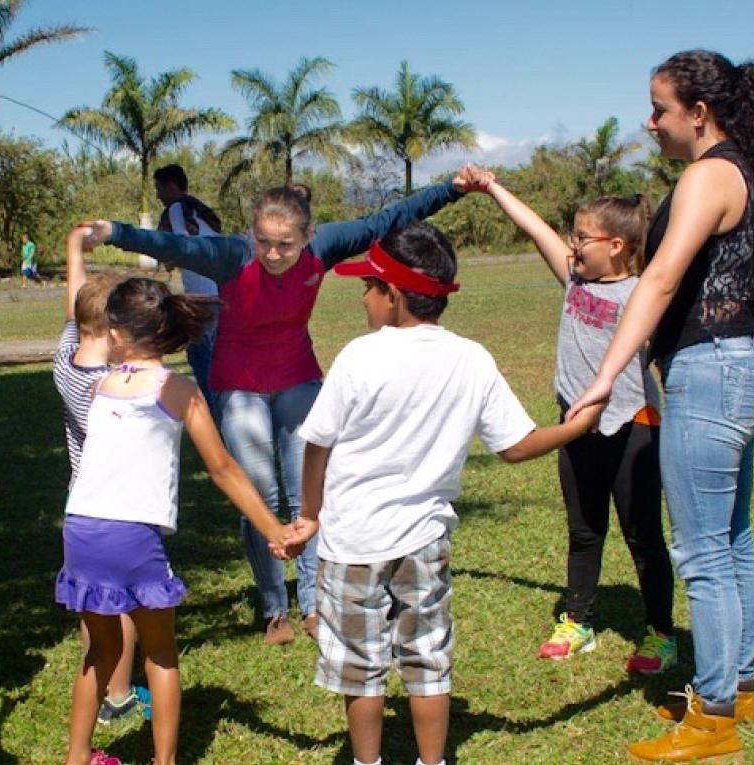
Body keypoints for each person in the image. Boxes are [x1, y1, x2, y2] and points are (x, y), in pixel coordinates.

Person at [76, 166, 491, 646]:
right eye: (264, 241)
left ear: (307, 236)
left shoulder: (323, 248)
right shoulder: (233, 255)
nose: (273, 254)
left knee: (305, 495)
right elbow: (175, 246)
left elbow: (387, 218)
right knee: (262, 496)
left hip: (297, 377)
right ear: (251, 233)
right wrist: (114, 233)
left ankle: (314, 603)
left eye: (285, 244)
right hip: (239, 385)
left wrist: (452, 189)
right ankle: (275, 608)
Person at [283, 223, 606, 765]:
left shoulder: (360, 357)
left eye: (369, 286)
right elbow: (517, 446)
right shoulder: (470, 358)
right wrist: (577, 427)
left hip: (352, 543)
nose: (363, 297)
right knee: (427, 655)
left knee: (360, 665)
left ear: (391, 296)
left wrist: (309, 515)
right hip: (425, 542)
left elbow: (318, 444)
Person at [565, 50, 754, 763]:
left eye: (659, 107)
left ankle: (713, 717)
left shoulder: (707, 175)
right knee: (731, 540)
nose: (651, 121)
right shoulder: (742, 171)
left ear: (697, 113)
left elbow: (663, 276)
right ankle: (740, 684)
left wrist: (608, 372)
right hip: (742, 367)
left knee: (703, 552)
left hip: (710, 374)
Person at [58, 276, 293, 765]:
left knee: (100, 652)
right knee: (160, 653)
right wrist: (273, 529)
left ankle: (77, 756)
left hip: (80, 528)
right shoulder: (178, 389)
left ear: (117, 333)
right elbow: (223, 468)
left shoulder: (99, 385)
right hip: (131, 533)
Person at [479, 181, 679, 672]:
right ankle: (578, 621)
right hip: (576, 427)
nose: (573, 244)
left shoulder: (643, 295)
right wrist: (492, 187)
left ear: (617, 245)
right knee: (584, 531)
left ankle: (660, 635)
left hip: (634, 424)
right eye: (574, 235)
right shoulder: (575, 279)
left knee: (643, 535)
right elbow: (532, 227)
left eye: (584, 237)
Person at [54, 228, 148, 726]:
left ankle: (107, 685)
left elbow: (76, 306)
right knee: (124, 607)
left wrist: (75, 251)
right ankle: (119, 693)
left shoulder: (66, 359)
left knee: (95, 604)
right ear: (116, 332)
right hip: (119, 510)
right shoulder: (109, 388)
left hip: (80, 507)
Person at [151, 164, 225, 399]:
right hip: (224, 290)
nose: (157, 195)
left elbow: (178, 247)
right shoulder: (200, 210)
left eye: (159, 188)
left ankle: (215, 420)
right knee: (219, 357)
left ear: (171, 186)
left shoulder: (175, 209)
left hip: (202, 296)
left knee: (201, 357)